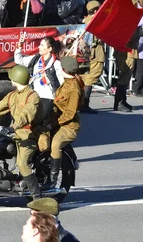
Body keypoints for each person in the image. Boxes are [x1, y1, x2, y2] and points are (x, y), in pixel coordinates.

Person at [0, 65, 42, 198]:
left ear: (16, 79)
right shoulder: (12, 96)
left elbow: (26, 115)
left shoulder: (32, 97)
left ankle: (37, 196)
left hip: (29, 135)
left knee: (22, 163)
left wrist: (13, 127)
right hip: (15, 134)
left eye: (12, 77)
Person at [43, 56, 81, 190]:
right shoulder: (66, 82)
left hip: (68, 125)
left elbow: (70, 113)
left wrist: (52, 124)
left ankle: (52, 181)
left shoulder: (73, 88)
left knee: (55, 144)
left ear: (64, 69)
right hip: (56, 120)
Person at [80, 0, 104, 114]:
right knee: (91, 76)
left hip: (86, 53)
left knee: (85, 77)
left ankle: (82, 103)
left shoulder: (84, 20)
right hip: (94, 52)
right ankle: (85, 103)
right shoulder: (94, 22)